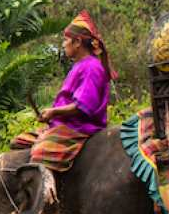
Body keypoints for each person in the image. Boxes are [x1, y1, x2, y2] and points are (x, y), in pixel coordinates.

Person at [10, 10, 116, 171]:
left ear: (78, 42)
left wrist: (53, 112)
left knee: (40, 152)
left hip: (80, 129)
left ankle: (47, 194)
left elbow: (83, 107)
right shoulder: (79, 65)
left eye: (66, 39)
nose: (63, 44)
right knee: (19, 141)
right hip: (64, 126)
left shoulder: (92, 67)